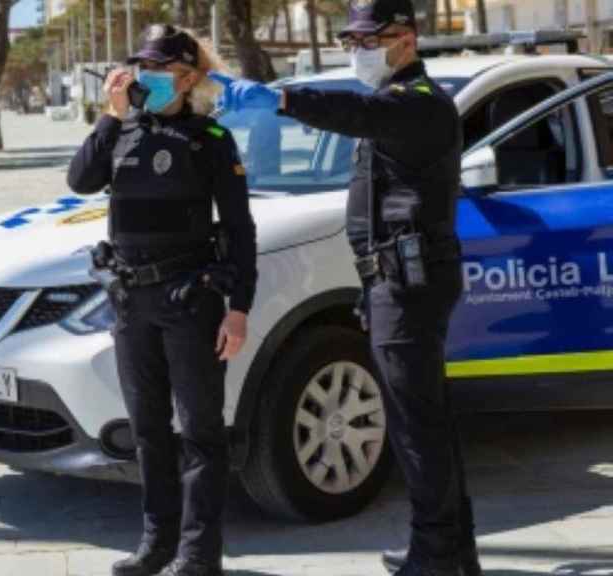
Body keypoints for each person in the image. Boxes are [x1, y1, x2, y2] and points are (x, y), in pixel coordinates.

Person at [212, 1, 478, 575]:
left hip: (410, 284)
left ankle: (436, 555)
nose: (356, 49)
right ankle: (454, 551)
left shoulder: (420, 105)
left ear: (405, 38)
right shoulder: (395, 106)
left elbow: (355, 112)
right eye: (349, 38)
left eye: (366, 38)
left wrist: (281, 97)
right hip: (393, 282)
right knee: (425, 421)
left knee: (414, 426)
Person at [67, 24, 257, 576]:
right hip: (131, 301)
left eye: (159, 69)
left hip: (189, 300)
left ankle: (200, 555)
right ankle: (156, 543)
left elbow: (241, 231)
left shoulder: (211, 141)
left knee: (199, 430)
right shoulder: (124, 131)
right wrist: (111, 112)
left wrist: (239, 307)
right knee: (147, 429)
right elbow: (80, 180)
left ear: (190, 76)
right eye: (141, 67)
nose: (147, 77)